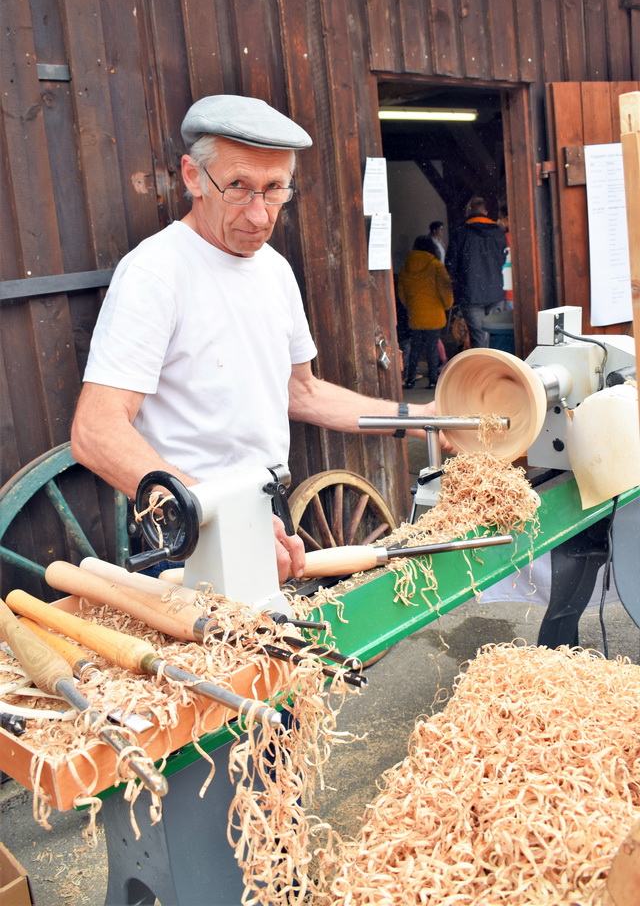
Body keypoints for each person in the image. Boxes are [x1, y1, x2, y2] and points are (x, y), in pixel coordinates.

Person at [71, 94, 443, 583]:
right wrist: (221, 516)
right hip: (190, 529)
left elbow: (301, 391)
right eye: (239, 188)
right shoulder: (155, 273)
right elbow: (95, 432)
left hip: (267, 513)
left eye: (274, 190)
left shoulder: (274, 269)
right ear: (192, 176)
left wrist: (423, 418)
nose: (260, 215)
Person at [445, 196, 507, 349]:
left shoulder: (461, 232)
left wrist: (462, 279)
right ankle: (496, 364)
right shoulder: (498, 232)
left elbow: (450, 265)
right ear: (485, 212)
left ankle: (482, 364)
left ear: (468, 212)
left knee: (478, 337)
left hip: (471, 293)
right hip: (495, 291)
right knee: (495, 337)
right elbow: (504, 260)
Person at [397, 235, 453, 390]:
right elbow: (445, 290)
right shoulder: (436, 266)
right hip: (434, 315)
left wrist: (412, 306)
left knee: (415, 348)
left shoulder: (405, 267)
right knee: (432, 348)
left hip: (415, 315)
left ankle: (410, 379)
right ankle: (433, 380)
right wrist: (447, 306)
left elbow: (401, 292)